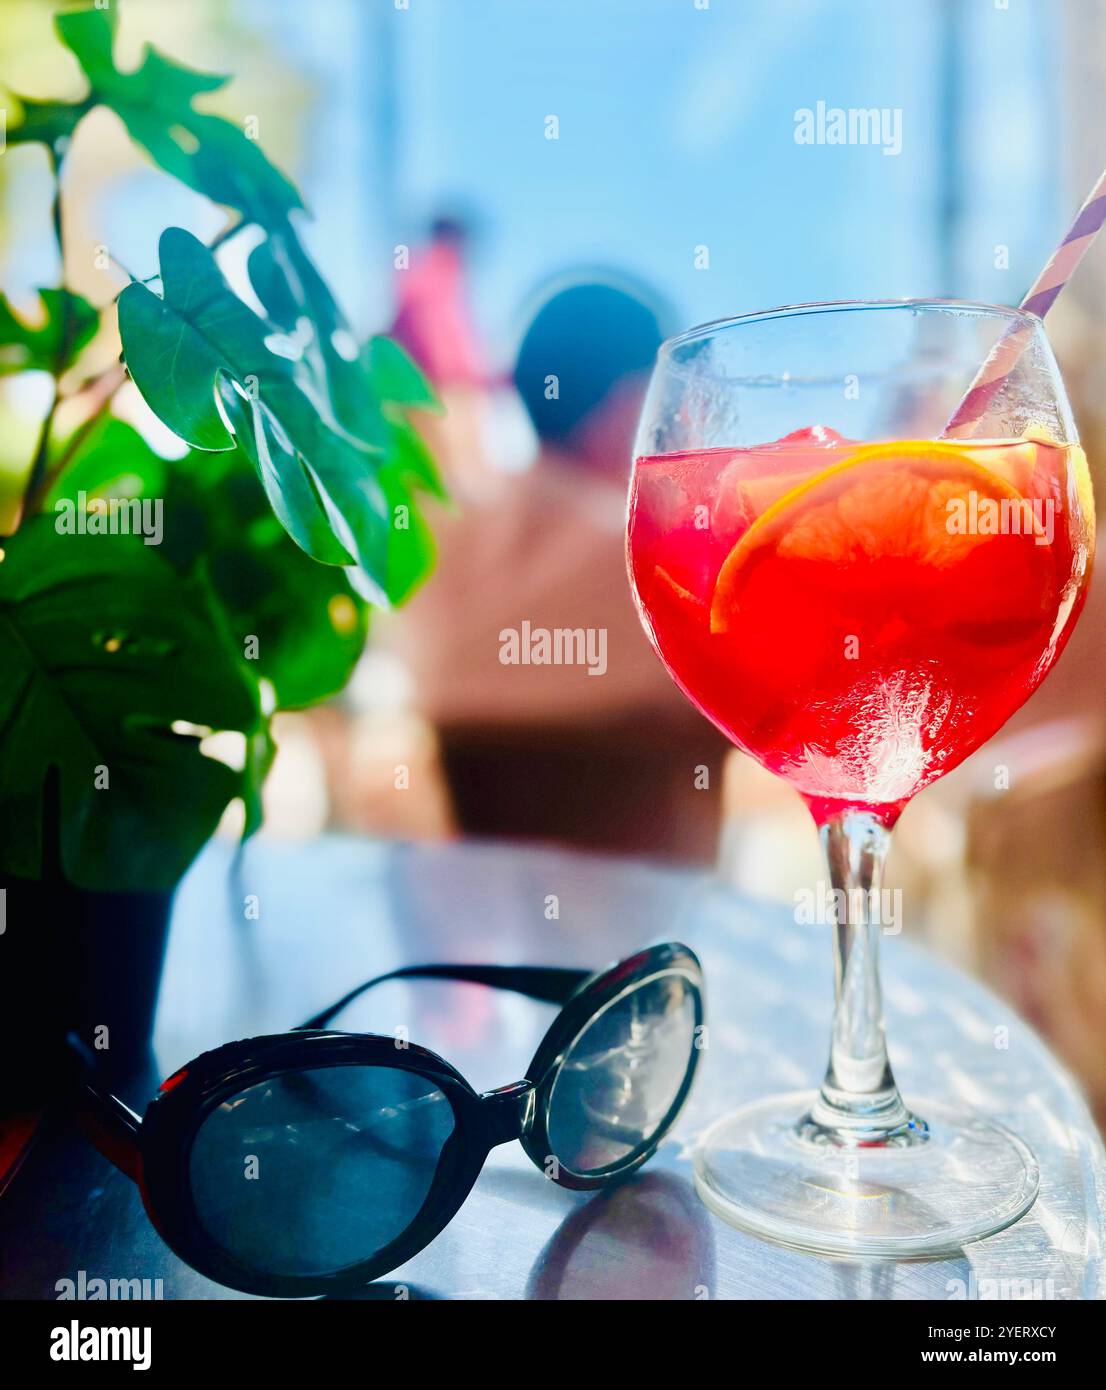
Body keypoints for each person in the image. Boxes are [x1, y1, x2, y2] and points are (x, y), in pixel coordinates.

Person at [385, 273, 729, 860]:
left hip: (490, 916)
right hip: (660, 928)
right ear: (632, 405)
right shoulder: (660, 564)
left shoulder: (437, 545)